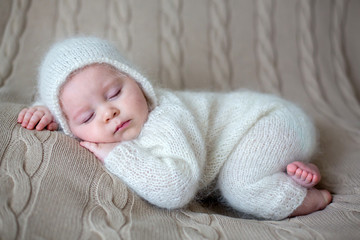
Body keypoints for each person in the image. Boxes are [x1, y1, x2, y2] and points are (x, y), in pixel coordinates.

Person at [17, 37, 332, 220]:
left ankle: (309, 198)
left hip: (269, 120)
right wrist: (48, 111)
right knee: (243, 173)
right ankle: (287, 171)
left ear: (139, 81)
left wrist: (117, 154)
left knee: (241, 188)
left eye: (114, 94)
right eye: (87, 117)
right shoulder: (86, 113)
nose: (109, 113)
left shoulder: (165, 118)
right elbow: (71, 100)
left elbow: (175, 189)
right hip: (259, 138)